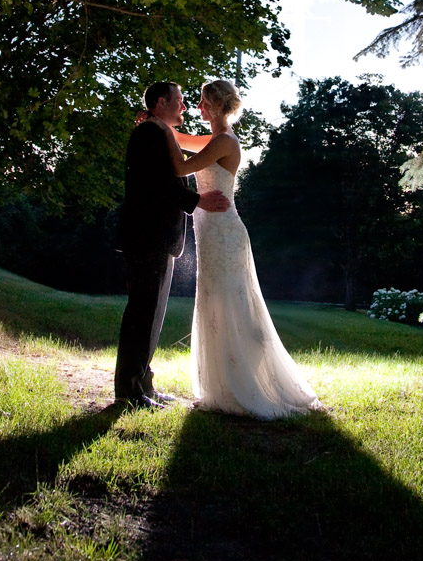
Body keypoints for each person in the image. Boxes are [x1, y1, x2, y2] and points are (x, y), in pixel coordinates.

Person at [157, 79, 323, 419]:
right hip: (210, 231)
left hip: (224, 232)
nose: (198, 107)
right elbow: (179, 139)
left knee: (229, 302)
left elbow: (180, 166)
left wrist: (160, 128)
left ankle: (242, 385)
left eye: (203, 102)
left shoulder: (224, 141)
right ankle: (221, 386)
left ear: (217, 105)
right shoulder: (214, 138)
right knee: (213, 301)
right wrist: (156, 123)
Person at [113, 81, 230, 410]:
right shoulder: (149, 134)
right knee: (142, 313)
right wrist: (197, 200)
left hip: (156, 237)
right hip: (147, 236)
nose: (184, 106)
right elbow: (157, 184)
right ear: (161, 102)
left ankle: (143, 384)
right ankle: (129, 391)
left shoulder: (158, 131)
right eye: (179, 100)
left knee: (151, 314)